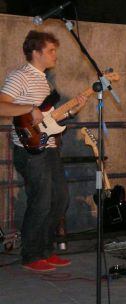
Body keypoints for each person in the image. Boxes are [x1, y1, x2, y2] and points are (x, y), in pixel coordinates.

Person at [0, 31, 85, 272]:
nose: (55, 55)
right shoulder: (20, 76)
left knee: (60, 199)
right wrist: (28, 107)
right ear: (36, 52)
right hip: (29, 150)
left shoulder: (44, 80)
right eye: (51, 50)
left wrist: (72, 110)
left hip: (48, 147)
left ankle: (46, 251)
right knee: (41, 201)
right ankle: (31, 255)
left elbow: (47, 117)